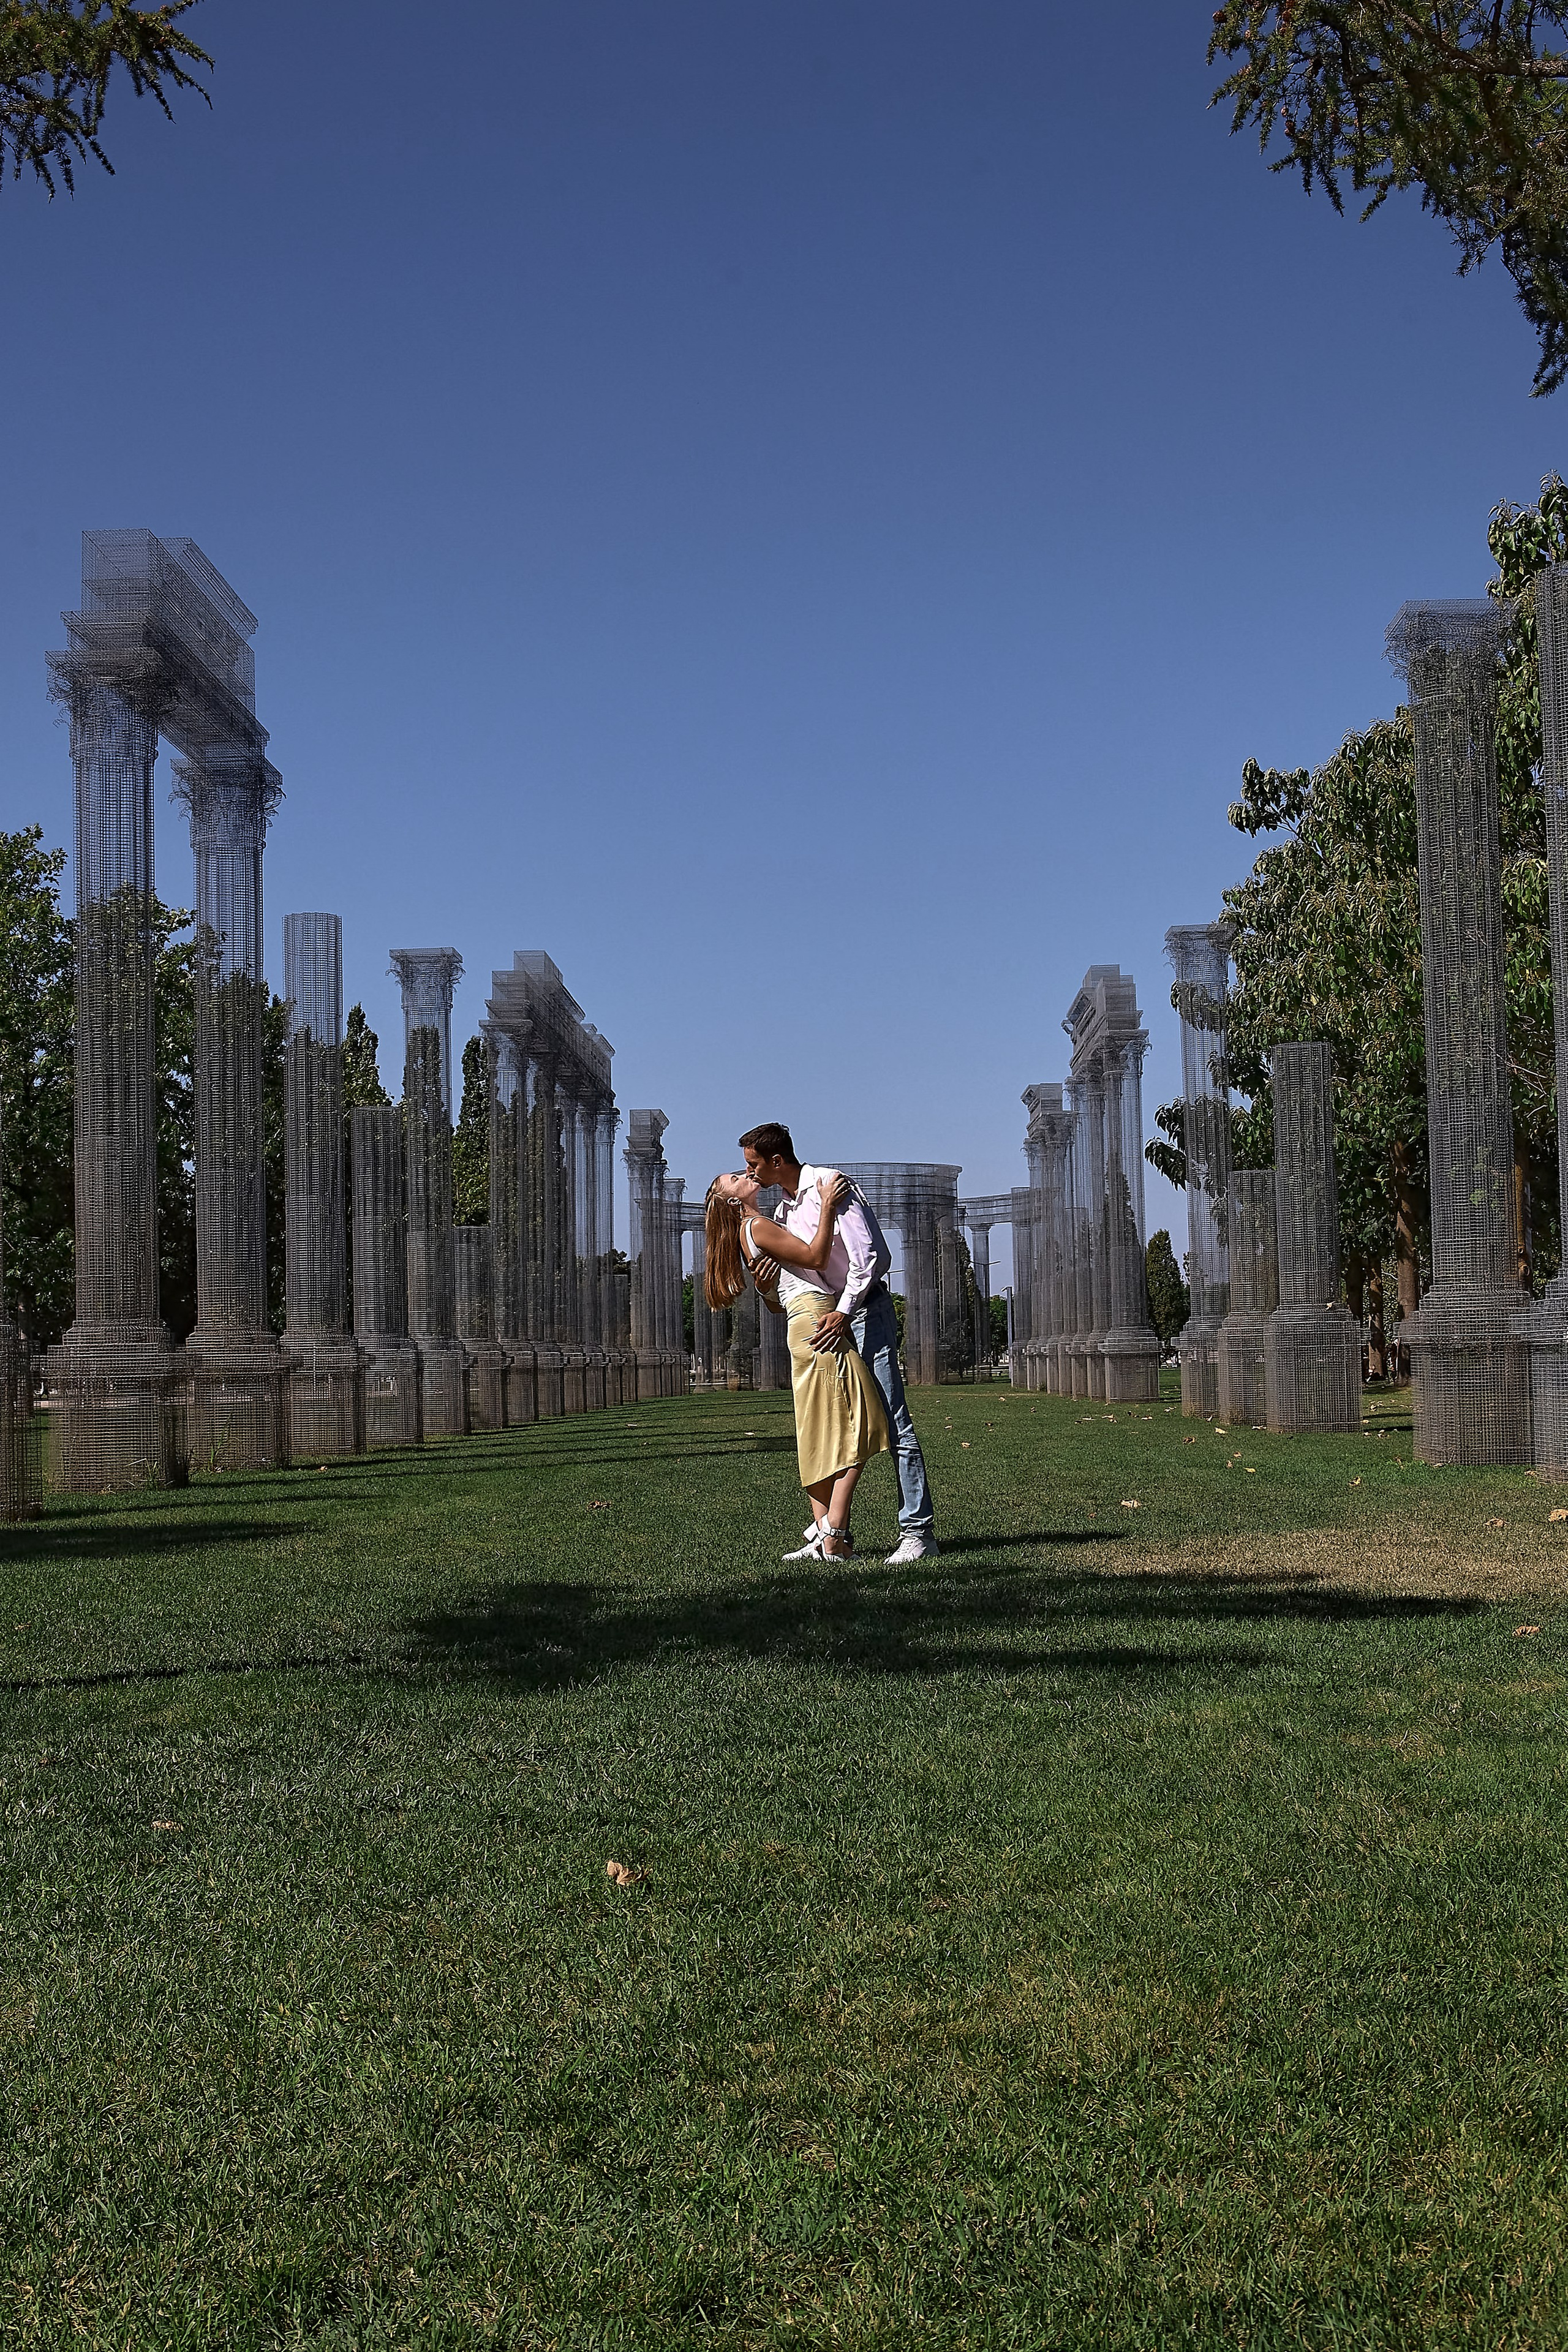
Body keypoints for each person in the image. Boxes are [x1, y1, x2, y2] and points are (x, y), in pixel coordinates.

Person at [736, 1122, 937, 1566]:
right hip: (826, 1318)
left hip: (861, 1312)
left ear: (776, 1160)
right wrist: (767, 1287)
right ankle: (833, 1536)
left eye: (753, 1164)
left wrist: (844, 1311)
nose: (749, 1173)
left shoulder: (830, 1185)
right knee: (831, 1426)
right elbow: (792, 1282)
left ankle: (917, 1533)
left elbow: (871, 1258)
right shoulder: (783, 1213)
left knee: (891, 1420)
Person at [704, 1171, 888, 1562]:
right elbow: (817, 1258)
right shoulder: (757, 1225)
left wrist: (765, 1287)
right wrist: (825, 1207)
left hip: (798, 1322)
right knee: (866, 1421)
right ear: (734, 1201)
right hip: (817, 1320)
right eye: (736, 1178)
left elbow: (774, 1299)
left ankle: (824, 1535)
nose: (746, 1175)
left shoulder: (750, 1231)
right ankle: (834, 1532)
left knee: (818, 1430)